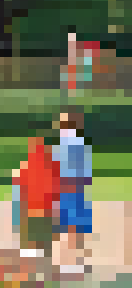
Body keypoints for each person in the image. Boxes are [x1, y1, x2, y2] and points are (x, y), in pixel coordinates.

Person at [54, 108, 95, 274]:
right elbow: (86, 173)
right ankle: (77, 261)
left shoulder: (66, 143)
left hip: (68, 190)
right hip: (77, 190)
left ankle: (71, 262)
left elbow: (59, 169)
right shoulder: (80, 143)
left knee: (69, 227)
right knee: (76, 228)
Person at [15, 135, 62, 269]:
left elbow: (21, 185)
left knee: (32, 234)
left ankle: (31, 259)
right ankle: (44, 259)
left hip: (33, 207)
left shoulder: (28, 164)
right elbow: (57, 185)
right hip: (46, 207)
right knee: (44, 235)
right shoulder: (53, 164)